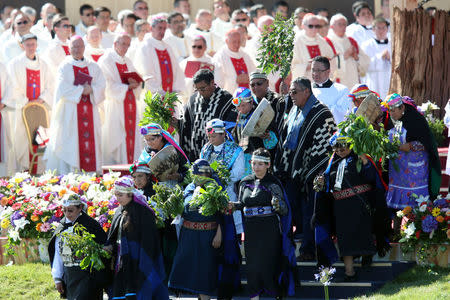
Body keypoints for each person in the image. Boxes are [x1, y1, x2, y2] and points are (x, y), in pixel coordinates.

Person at [313, 132, 390, 279]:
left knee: (362, 233)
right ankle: (349, 272)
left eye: (343, 147)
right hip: (341, 208)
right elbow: (326, 188)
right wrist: (321, 184)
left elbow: (372, 178)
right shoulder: (331, 164)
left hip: (359, 205)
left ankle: (367, 259)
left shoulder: (361, 158)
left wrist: (365, 162)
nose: (340, 151)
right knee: (344, 239)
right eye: (336, 148)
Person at [274, 77, 336, 260]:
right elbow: (287, 138)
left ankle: (309, 250)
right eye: (290, 92)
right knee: (292, 207)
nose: (291, 95)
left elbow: (327, 144)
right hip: (294, 170)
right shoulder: (294, 110)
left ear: (306, 92)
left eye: (294, 92)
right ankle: (293, 245)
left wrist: (309, 168)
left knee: (312, 211)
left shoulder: (321, 112)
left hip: (315, 170)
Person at [232, 148, 296, 298]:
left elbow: (285, 210)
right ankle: (254, 297)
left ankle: (275, 295)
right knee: (252, 267)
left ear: (268, 165)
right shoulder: (245, 182)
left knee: (269, 265)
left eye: (261, 164)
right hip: (251, 230)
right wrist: (232, 205)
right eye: (254, 163)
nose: (256, 167)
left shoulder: (273, 183)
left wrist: (278, 205)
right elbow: (242, 203)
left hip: (269, 230)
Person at [44, 36, 106, 174]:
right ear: (69, 49)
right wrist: (81, 90)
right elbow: (62, 88)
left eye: (80, 46)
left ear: (84, 48)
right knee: (71, 144)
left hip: (91, 109)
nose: (77, 50)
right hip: (71, 113)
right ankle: (72, 174)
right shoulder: (64, 66)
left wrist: (93, 89)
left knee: (90, 143)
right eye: (74, 47)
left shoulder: (93, 66)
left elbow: (102, 84)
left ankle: (92, 174)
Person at [169, 159, 228, 299]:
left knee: (205, 272)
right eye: (200, 173)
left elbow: (223, 214)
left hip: (208, 235)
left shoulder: (216, 187)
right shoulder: (189, 187)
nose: (203, 177)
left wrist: (219, 234)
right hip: (189, 234)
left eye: (206, 174)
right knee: (189, 271)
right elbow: (183, 210)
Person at [106, 176, 169, 299]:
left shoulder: (143, 212)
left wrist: (144, 262)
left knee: (139, 292)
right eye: (116, 195)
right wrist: (110, 246)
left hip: (139, 260)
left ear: (130, 194)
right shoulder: (119, 210)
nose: (118, 198)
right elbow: (116, 236)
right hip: (123, 261)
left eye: (121, 195)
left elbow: (149, 241)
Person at [6, 33, 53, 173]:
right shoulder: (14, 64)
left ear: (37, 45)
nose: (31, 47)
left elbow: (51, 85)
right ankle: (23, 171)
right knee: (22, 140)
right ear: (22, 46)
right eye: (28, 44)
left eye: (33, 44)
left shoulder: (44, 64)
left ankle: (40, 172)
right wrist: (26, 101)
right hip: (22, 109)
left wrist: (41, 99)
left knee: (41, 138)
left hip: (41, 109)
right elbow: (12, 86)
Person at [385, 94, 441, 210]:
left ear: (402, 108)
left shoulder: (416, 120)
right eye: (389, 111)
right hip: (397, 174)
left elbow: (427, 143)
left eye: (393, 110)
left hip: (415, 173)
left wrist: (410, 146)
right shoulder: (393, 121)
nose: (391, 114)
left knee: (416, 209)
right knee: (398, 211)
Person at [48, 194, 107, 300]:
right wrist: (57, 278)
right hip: (70, 276)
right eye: (64, 210)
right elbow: (58, 254)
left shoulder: (91, 225)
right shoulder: (62, 228)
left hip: (89, 276)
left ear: (80, 208)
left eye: (70, 210)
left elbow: (103, 248)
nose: (67, 214)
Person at [98, 33, 142, 165]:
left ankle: (132, 166)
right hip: (115, 106)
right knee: (117, 137)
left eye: (128, 45)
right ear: (115, 44)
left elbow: (135, 80)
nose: (125, 47)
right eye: (123, 44)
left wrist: (136, 84)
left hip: (130, 104)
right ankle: (116, 166)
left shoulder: (128, 61)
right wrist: (126, 87)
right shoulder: (105, 60)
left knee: (131, 137)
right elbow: (105, 85)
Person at [179, 69, 236, 162]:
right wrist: (177, 123)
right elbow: (187, 126)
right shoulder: (193, 99)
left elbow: (231, 127)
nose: (200, 92)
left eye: (202, 88)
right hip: (195, 154)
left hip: (218, 155)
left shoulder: (226, 99)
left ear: (212, 82)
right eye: (197, 89)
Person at [200, 118, 245, 235]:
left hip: (228, 191)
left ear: (223, 134)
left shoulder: (235, 150)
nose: (211, 139)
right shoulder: (205, 149)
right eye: (209, 136)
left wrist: (221, 178)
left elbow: (239, 172)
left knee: (230, 225)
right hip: (208, 192)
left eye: (214, 136)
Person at [231, 87, 278, 176]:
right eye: (238, 106)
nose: (240, 108)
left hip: (257, 160)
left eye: (243, 105)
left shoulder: (261, 115)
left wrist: (267, 136)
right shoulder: (235, 116)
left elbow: (273, 142)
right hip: (241, 160)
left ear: (251, 102)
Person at [135, 15, 185, 94]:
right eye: (159, 28)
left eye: (164, 28)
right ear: (151, 28)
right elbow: (146, 72)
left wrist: (176, 89)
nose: (162, 31)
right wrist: (158, 91)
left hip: (170, 93)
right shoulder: (145, 47)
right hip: (154, 94)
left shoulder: (167, 47)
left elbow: (176, 69)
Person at [327, 13, 370, 89]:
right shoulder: (327, 42)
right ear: (332, 26)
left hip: (353, 81)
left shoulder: (351, 41)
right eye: (340, 24)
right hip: (337, 83)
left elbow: (366, 62)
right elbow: (326, 64)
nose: (343, 27)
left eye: (344, 24)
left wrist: (356, 57)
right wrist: (344, 56)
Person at [291, 13, 335, 81]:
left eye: (317, 26)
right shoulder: (296, 42)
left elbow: (331, 59)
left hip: (321, 82)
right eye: (311, 26)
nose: (314, 29)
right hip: (304, 82)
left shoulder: (322, 41)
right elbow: (292, 66)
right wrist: (308, 66)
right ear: (303, 26)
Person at [213, 28, 256, 93]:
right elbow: (217, 81)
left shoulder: (245, 55)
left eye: (239, 42)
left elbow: (254, 72)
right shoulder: (219, 57)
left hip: (247, 94)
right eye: (234, 42)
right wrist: (235, 79)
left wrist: (249, 77)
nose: (237, 44)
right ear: (227, 41)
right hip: (230, 95)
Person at [311, 56, 350, 124]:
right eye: (313, 70)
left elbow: (344, 115)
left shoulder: (341, 90)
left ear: (328, 71)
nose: (315, 74)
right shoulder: (307, 90)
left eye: (319, 71)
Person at [361, 17, 391, 99]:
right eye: (378, 28)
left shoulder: (393, 43)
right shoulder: (367, 45)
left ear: (387, 29)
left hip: (389, 79)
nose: (381, 31)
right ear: (373, 29)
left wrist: (390, 58)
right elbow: (365, 65)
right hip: (374, 81)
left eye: (384, 28)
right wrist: (380, 57)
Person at [179, 35, 215, 100]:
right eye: (194, 47)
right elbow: (179, 83)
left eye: (199, 47)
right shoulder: (183, 63)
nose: (196, 49)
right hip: (188, 99)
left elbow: (219, 81)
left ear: (205, 47)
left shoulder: (213, 62)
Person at [0, 61, 13, 176]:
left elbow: (10, 86)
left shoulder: (2, 66)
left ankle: (2, 177)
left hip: (1, 111)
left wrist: (3, 102)